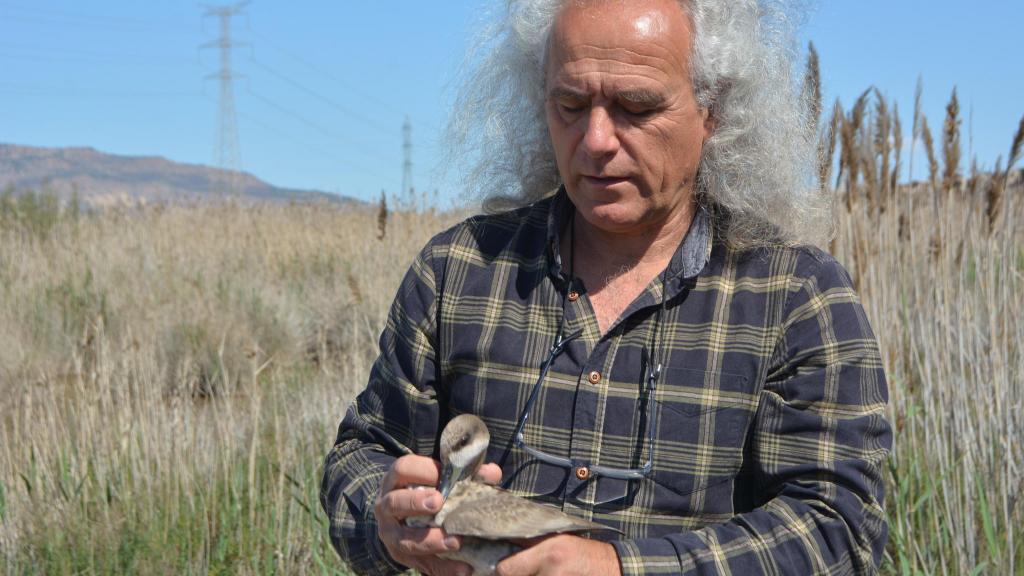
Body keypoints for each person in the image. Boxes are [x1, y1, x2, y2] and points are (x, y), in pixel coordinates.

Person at [321, 0, 892, 574]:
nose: (596, 139)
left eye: (636, 107)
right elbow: (362, 454)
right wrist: (387, 516)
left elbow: (839, 530)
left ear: (712, 111)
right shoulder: (458, 271)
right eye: (570, 105)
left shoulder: (796, 296)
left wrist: (618, 568)